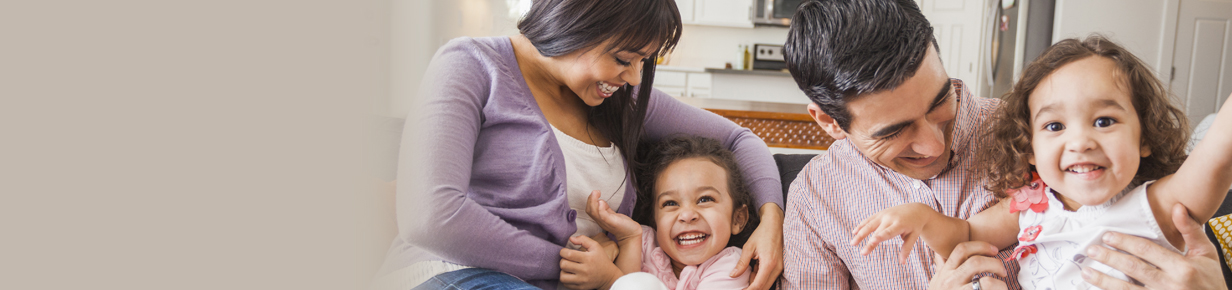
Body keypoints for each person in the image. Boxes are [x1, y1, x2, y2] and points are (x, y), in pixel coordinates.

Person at [778, 0, 1230, 289]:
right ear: (827, 122)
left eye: (940, 101)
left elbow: (1204, 175)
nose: (933, 144)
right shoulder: (816, 200)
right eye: (893, 132)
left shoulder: (1034, 133)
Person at [378, 0, 786, 289]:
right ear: (578, 22)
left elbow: (739, 139)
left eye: (644, 61)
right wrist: (565, 266)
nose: (634, 78)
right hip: (455, 274)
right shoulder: (471, 65)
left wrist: (770, 221)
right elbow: (429, 216)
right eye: (625, 58)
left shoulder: (620, 102)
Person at [573, 136, 758, 290]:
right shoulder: (642, 240)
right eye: (670, 203)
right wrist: (626, 241)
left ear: (738, 218)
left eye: (704, 199)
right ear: (655, 218)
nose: (686, 215)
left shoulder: (731, 266)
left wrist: (610, 279)